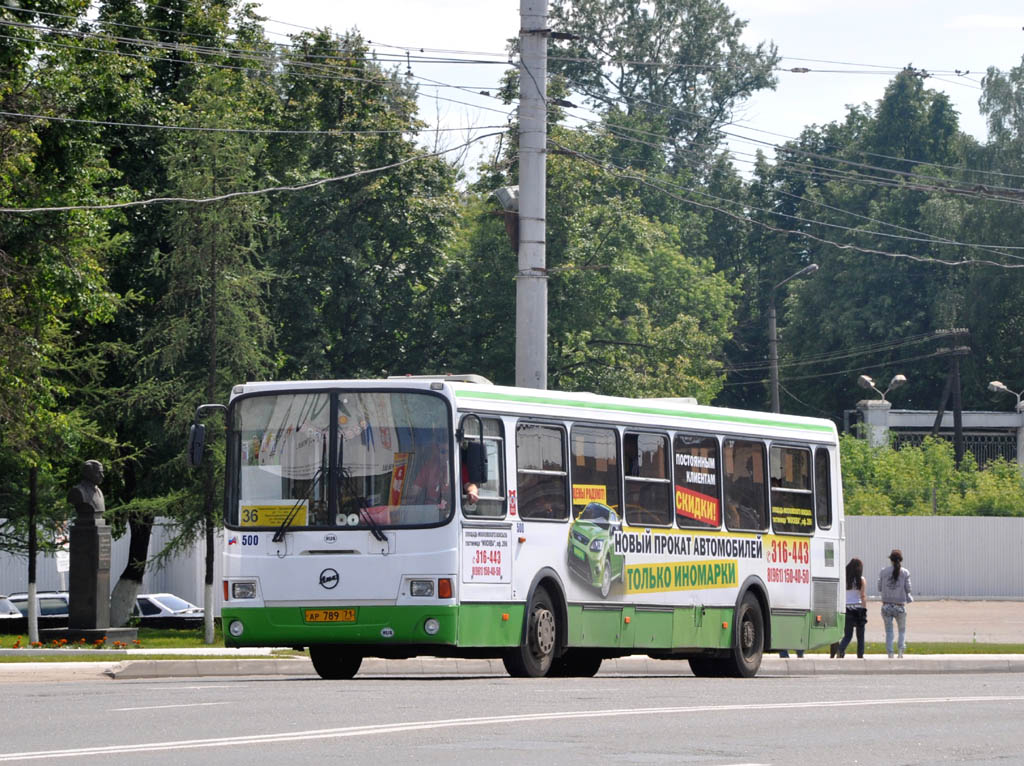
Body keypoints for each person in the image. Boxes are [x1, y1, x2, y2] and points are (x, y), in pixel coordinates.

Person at [878, 548, 913, 658]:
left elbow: (879, 588)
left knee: (889, 631)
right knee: (902, 630)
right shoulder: (905, 572)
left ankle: (890, 652)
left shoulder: (883, 572)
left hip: (886, 605)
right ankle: (901, 651)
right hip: (899, 605)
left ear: (891, 560)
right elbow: (909, 589)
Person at [832, 557, 868, 658]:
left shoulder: (844, 579)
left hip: (847, 608)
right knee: (860, 635)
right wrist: (864, 609)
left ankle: (841, 649)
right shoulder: (861, 580)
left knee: (848, 634)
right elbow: (863, 595)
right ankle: (860, 655)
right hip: (858, 608)